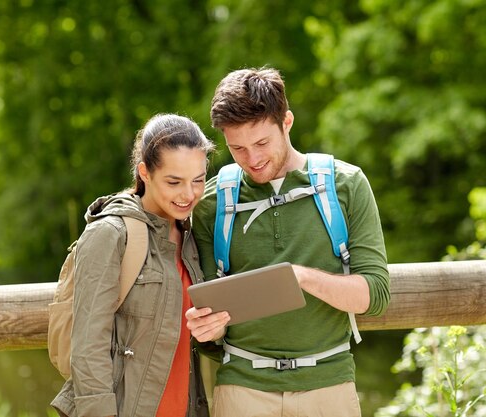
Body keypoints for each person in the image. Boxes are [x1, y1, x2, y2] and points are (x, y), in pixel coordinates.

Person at [186, 67, 390, 417]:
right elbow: (205, 324)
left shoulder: (347, 184)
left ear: (287, 122)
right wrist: (207, 329)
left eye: (262, 143)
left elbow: (375, 296)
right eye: (238, 148)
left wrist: (300, 277)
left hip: (329, 386)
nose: (253, 159)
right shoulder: (211, 203)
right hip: (242, 389)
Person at [51, 113, 214, 417]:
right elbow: (88, 347)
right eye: (174, 182)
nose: (188, 194)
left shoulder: (191, 236)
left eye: (198, 180)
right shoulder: (110, 234)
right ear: (145, 173)